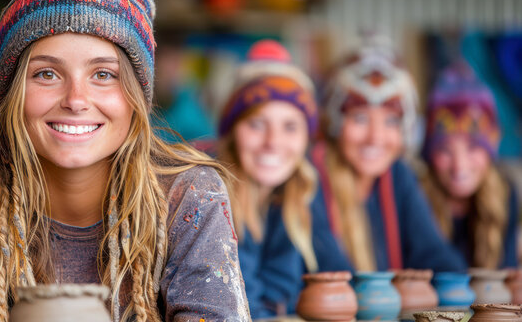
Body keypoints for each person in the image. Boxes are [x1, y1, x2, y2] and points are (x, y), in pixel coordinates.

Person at [0, 0, 250, 321]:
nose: (76, 99)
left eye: (103, 74)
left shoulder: (188, 201)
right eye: (47, 74)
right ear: (11, 96)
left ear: (136, 97)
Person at [311, 40, 466, 272]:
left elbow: (436, 255)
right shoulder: (310, 177)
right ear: (333, 122)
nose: (375, 138)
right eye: (360, 118)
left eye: (391, 121)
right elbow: (333, 274)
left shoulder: (398, 175)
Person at [216, 39, 334, 318]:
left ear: (307, 138)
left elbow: (341, 275)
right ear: (232, 133)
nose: (273, 142)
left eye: (290, 127)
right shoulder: (208, 194)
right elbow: (241, 306)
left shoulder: (298, 191)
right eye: (257, 124)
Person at [421, 63, 518, 268]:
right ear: (429, 155)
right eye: (445, 149)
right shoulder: (414, 196)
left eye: (473, 147)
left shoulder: (505, 193)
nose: (459, 166)